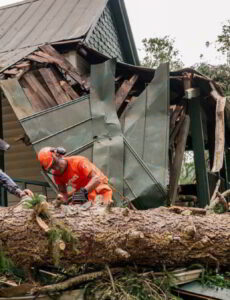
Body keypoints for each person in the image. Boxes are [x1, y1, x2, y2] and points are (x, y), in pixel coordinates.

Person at [37, 147, 113, 205]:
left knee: (100, 212)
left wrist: (83, 192)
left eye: (54, 163)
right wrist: (61, 199)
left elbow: (97, 179)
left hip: (99, 188)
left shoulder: (78, 162)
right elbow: (63, 192)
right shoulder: (57, 175)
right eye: (51, 167)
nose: (55, 167)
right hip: (85, 194)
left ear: (58, 154)